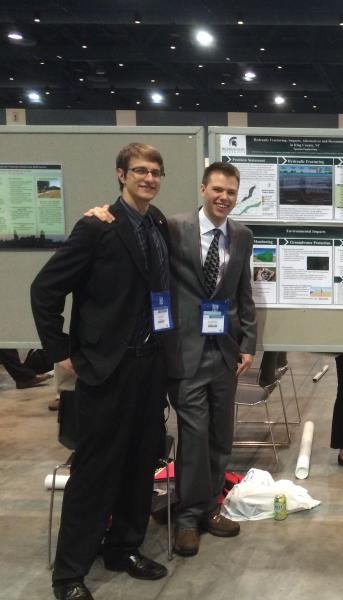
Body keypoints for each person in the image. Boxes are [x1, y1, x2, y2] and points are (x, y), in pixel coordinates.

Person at [85, 162, 257, 558]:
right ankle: (187, 517)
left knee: (220, 435)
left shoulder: (242, 235)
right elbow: (133, 222)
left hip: (226, 351)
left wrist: (248, 341)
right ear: (202, 188)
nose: (224, 198)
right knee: (194, 434)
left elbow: (243, 292)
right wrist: (101, 214)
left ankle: (212, 506)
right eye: (217, 189)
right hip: (184, 350)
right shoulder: (173, 226)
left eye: (231, 192)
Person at [31, 143, 171, 600]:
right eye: (139, 171)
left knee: (139, 465)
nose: (147, 178)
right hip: (106, 371)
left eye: (154, 172)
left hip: (149, 368)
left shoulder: (157, 225)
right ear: (120, 175)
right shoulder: (97, 226)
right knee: (94, 473)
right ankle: (69, 574)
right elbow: (45, 289)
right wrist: (60, 351)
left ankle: (123, 548)